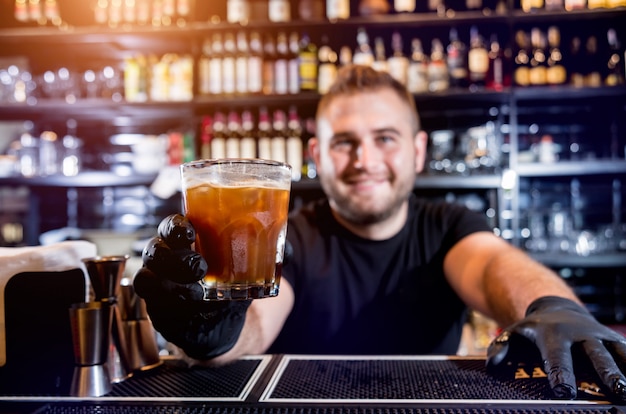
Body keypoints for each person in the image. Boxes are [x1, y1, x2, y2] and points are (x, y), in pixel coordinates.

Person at [134, 64, 626, 402]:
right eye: (344, 143)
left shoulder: (448, 225)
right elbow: (257, 319)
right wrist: (216, 333)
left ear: (416, 151)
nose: (364, 161)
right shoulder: (293, 235)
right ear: (318, 156)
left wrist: (552, 307)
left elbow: (495, 266)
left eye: (384, 139)